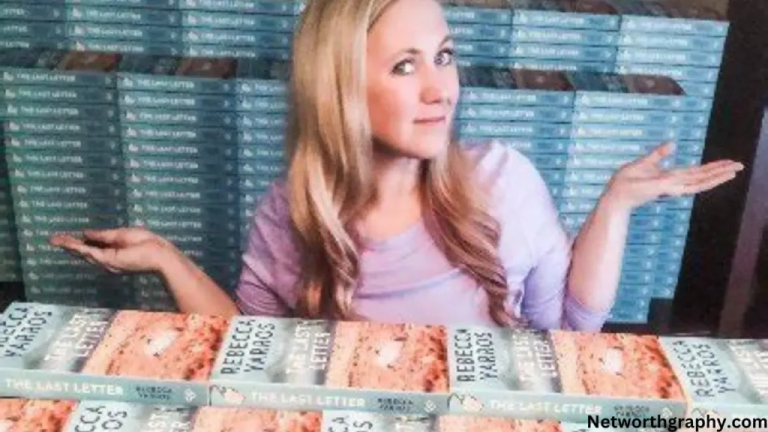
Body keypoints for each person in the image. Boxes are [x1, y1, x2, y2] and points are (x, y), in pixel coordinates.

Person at [50, 0, 743, 330]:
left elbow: (568, 334)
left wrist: (613, 205)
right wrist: (167, 259)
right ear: (341, 89)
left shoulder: (505, 180)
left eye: (444, 56)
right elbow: (251, 348)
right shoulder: (291, 210)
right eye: (405, 67)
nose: (442, 90)